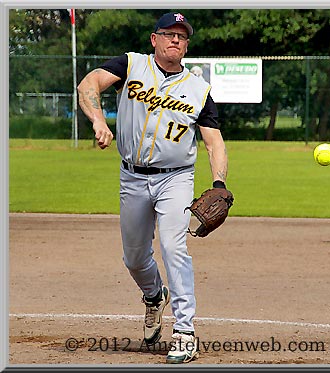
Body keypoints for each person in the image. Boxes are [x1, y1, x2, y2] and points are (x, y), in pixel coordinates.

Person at [77, 12, 228, 364]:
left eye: (182, 36)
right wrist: (98, 120)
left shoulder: (198, 90)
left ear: (187, 45)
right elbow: (89, 84)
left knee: (175, 247)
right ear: (154, 39)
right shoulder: (131, 66)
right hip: (131, 176)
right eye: (169, 34)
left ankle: (185, 331)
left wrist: (219, 181)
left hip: (175, 177)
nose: (176, 40)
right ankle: (152, 295)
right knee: (134, 258)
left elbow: (214, 142)